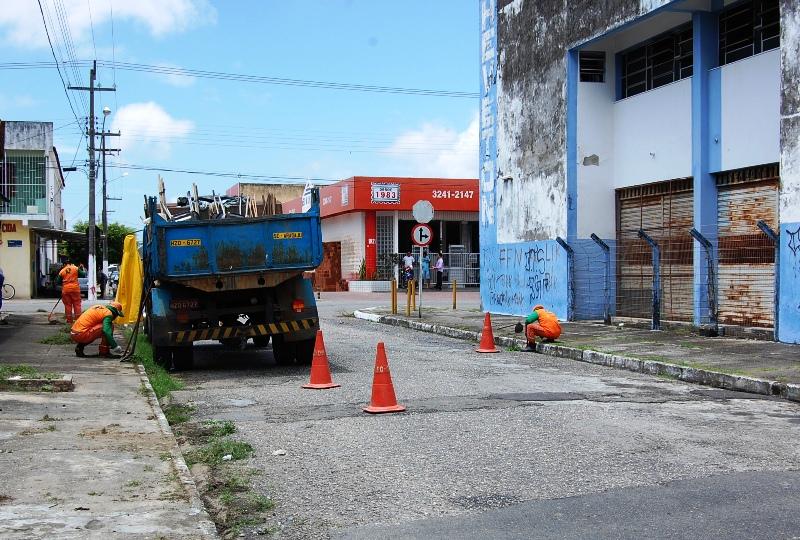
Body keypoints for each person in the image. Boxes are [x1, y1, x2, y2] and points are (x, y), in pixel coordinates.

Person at [57, 259, 85, 324]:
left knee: (68, 305)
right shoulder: (75, 268)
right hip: (75, 289)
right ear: (70, 263)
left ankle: (69, 321)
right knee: (77, 304)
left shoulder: (62, 271)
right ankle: (78, 320)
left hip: (66, 290)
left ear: (64, 264)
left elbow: (58, 282)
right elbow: (83, 274)